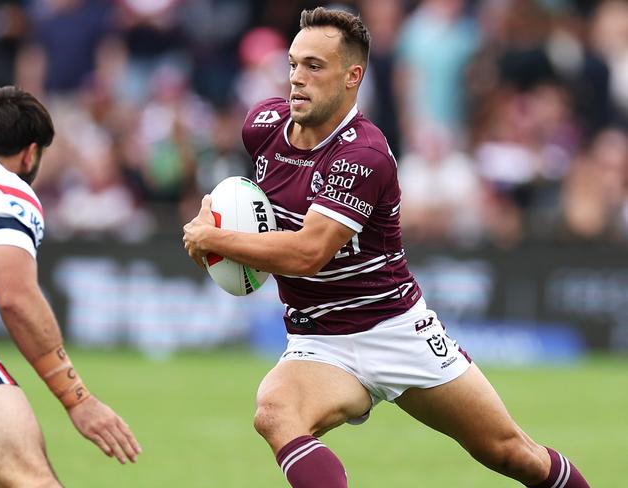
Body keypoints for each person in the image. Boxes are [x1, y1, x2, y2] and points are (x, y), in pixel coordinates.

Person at [183, 7, 590, 488]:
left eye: (315, 66)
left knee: (511, 454)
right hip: (319, 339)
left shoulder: (364, 154)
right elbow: (252, 207)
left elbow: (309, 253)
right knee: (275, 411)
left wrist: (215, 238)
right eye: (293, 64)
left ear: (352, 76)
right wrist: (219, 220)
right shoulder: (263, 126)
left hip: (394, 329)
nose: (296, 78)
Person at [0, 86, 141, 488]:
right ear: (30, 153)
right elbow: (15, 297)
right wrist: (78, 399)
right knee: (30, 479)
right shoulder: (6, 189)